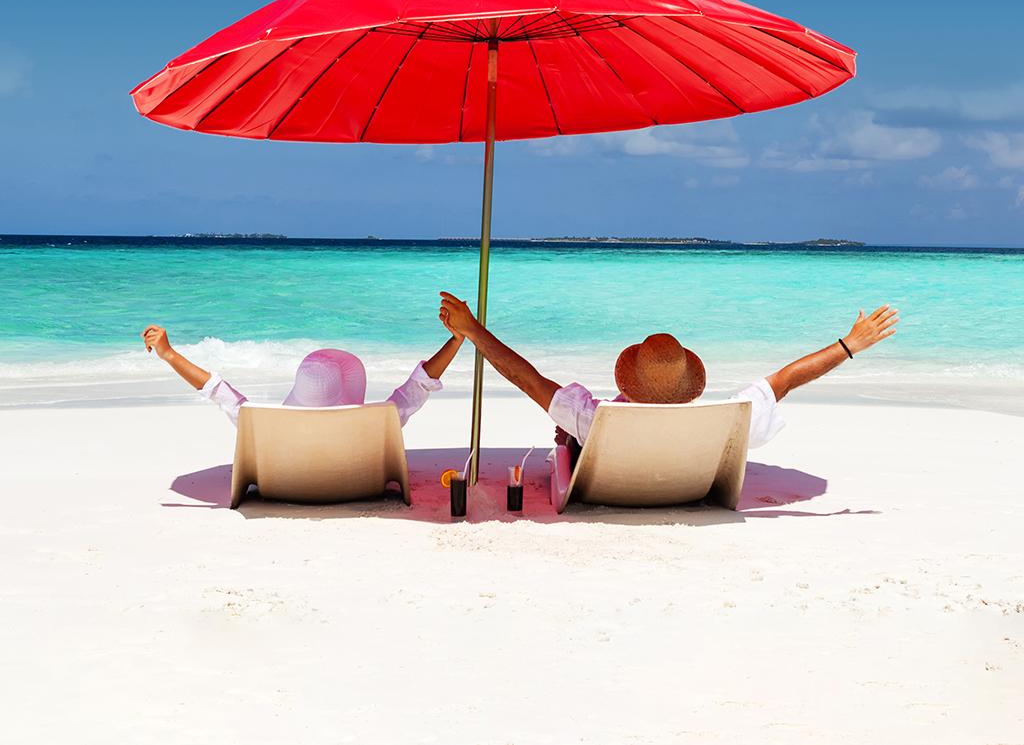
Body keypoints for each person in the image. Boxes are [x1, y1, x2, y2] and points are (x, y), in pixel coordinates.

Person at [437, 293, 899, 455]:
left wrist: (473, 330)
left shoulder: (595, 420)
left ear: (629, 376)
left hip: (612, 477)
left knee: (567, 437)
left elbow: (526, 378)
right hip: (688, 481)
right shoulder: (725, 419)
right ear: (685, 379)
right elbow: (785, 379)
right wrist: (849, 345)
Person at [140, 324, 465, 426]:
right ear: (344, 387)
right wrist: (457, 338)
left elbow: (214, 387)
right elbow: (417, 386)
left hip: (285, 488)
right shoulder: (375, 421)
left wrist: (168, 354)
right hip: (352, 487)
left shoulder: (264, 423)